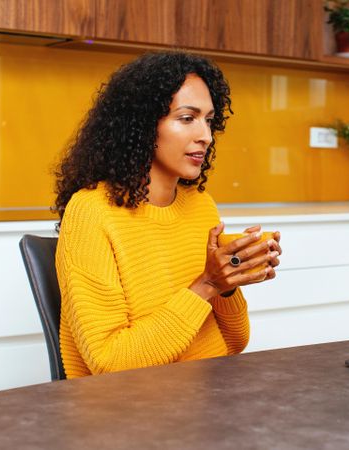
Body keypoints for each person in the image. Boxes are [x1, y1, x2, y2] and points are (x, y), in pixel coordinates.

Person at [53, 52, 281, 379]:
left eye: (209, 120)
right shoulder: (90, 212)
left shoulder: (200, 205)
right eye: (187, 118)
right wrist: (206, 285)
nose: (205, 135)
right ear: (142, 124)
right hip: (131, 414)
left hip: (209, 399)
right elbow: (109, 363)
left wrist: (227, 284)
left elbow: (234, 344)